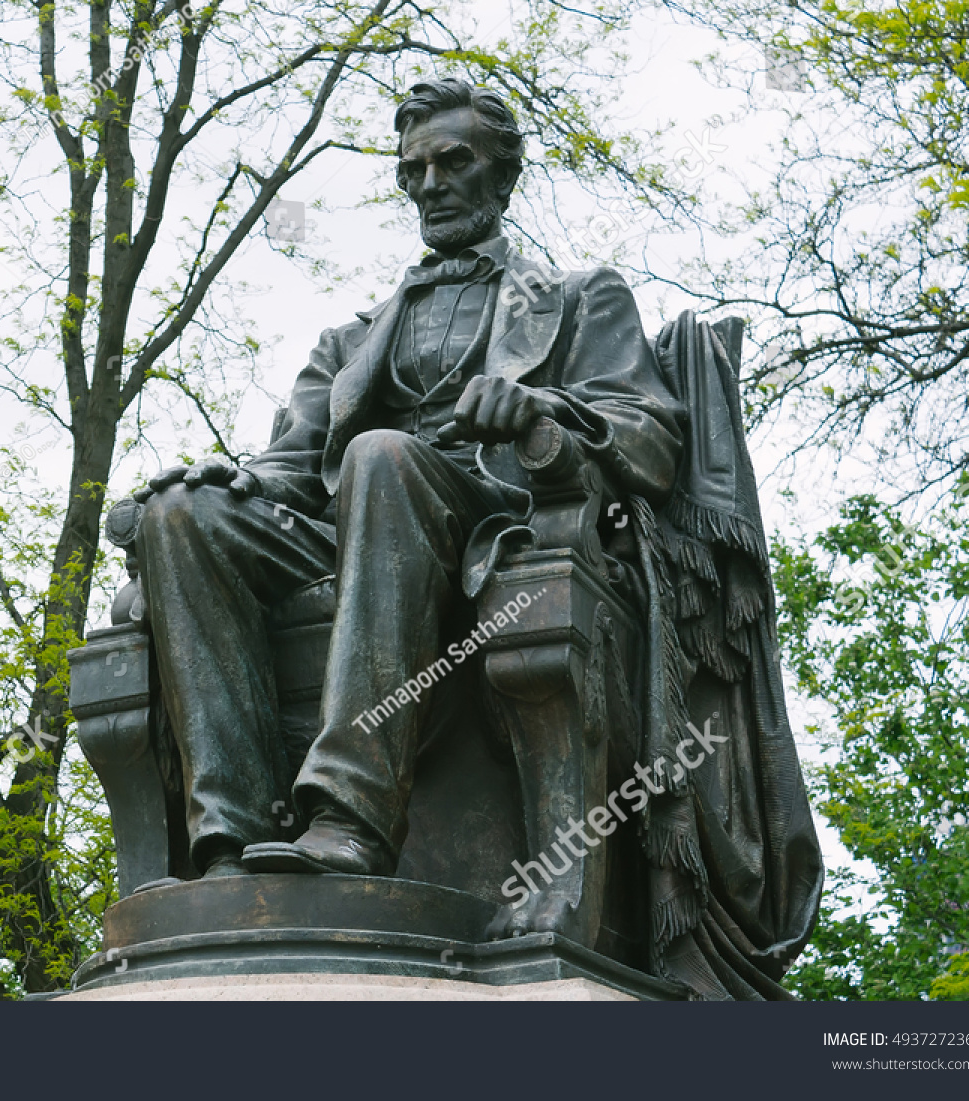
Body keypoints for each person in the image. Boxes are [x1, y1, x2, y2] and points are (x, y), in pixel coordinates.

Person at [130, 78, 682, 882]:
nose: (430, 185)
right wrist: (231, 479)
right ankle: (228, 842)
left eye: (453, 162)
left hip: (494, 527)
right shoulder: (351, 339)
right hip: (355, 526)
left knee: (381, 456)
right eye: (412, 172)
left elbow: (649, 437)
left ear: (503, 174)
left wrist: (539, 409)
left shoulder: (575, 299)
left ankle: (350, 818)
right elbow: (288, 468)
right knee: (179, 512)